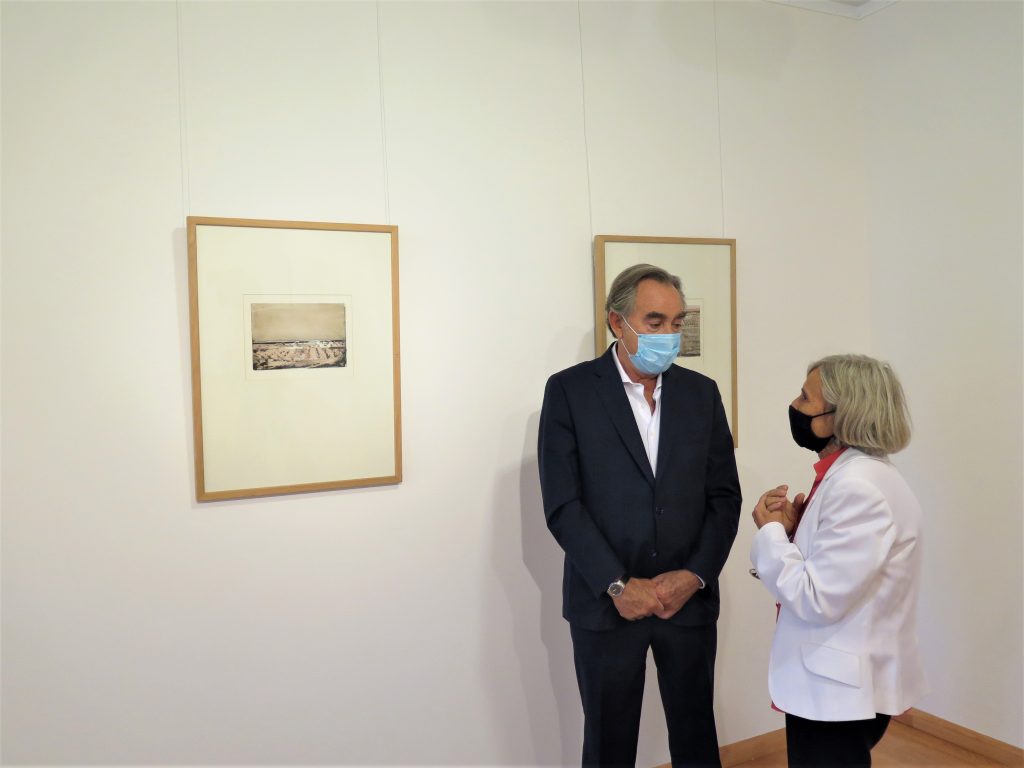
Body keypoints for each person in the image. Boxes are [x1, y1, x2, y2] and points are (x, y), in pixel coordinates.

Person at [538, 264, 741, 767]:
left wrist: (693, 576)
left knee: (696, 736)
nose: (668, 336)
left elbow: (724, 498)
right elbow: (564, 505)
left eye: (677, 323)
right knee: (608, 744)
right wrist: (617, 585)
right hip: (607, 606)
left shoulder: (701, 393)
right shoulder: (570, 392)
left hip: (686, 603)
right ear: (617, 322)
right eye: (655, 322)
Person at [749, 355, 927, 768]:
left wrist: (770, 533)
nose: (794, 404)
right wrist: (793, 534)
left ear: (840, 415)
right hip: (837, 682)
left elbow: (818, 599)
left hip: (837, 688)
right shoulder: (849, 476)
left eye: (805, 398)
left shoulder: (858, 486)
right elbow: (836, 571)